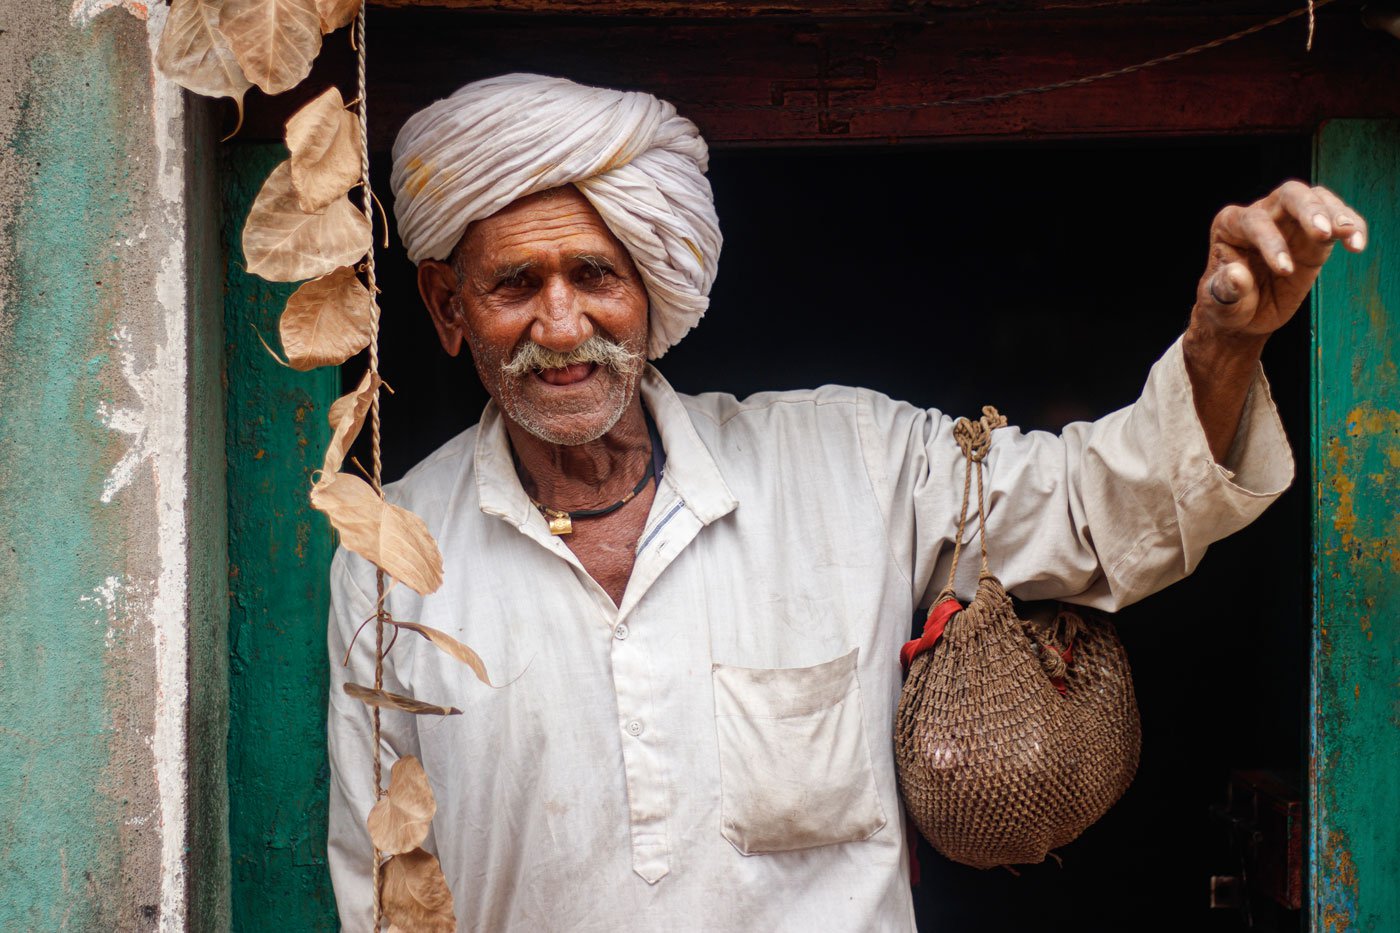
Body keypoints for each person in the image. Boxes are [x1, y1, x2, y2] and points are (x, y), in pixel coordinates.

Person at [326, 73, 1367, 931]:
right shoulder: (391, 557)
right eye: (515, 286)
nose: (562, 326)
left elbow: (1099, 509)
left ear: (649, 286)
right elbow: (381, 887)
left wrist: (1221, 344)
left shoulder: (850, 462)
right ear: (445, 305)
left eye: (594, 274)